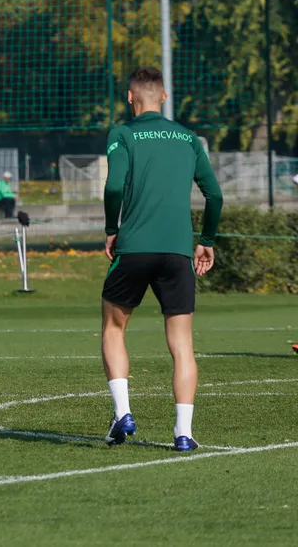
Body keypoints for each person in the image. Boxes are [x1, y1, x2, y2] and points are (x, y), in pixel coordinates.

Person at [101, 66, 223, 451]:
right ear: (165, 97)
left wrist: (110, 227)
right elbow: (215, 196)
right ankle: (183, 433)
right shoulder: (188, 138)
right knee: (182, 344)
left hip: (134, 247)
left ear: (130, 97)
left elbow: (116, 184)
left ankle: (123, 413)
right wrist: (206, 240)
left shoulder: (123, 133)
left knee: (114, 327)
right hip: (177, 252)